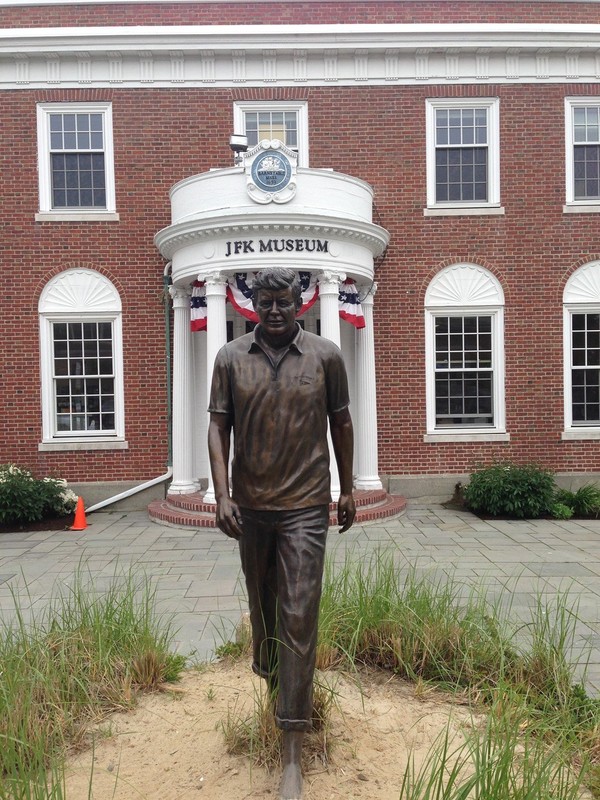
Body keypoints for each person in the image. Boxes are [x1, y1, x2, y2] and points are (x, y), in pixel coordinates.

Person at [207, 267, 356, 800]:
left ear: (301, 300)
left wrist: (348, 487)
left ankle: (292, 746)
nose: (274, 310)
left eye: (284, 301)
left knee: (298, 615)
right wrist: (222, 495)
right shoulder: (229, 358)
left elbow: (341, 421)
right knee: (266, 613)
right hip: (252, 508)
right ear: (252, 303)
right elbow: (218, 426)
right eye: (265, 301)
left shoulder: (326, 356)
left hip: (305, 508)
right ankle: (278, 691)